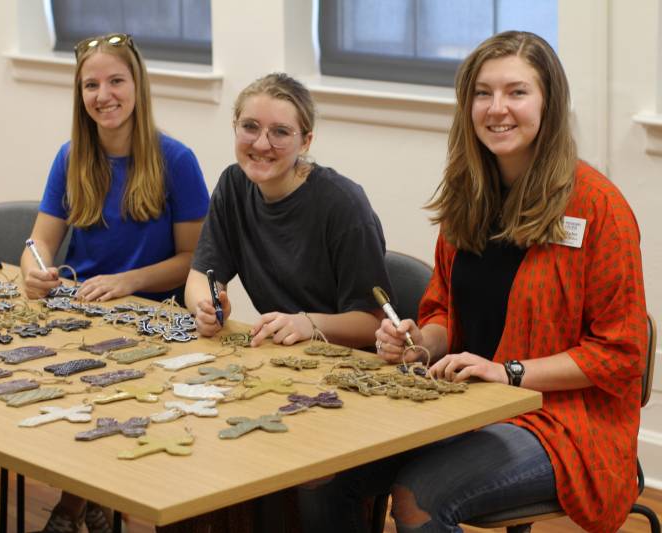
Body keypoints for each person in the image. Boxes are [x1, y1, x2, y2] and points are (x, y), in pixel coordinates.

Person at [300, 31, 647, 533]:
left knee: (420, 495)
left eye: (517, 92)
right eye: (482, 93)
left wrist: (507, 373)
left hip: (566, 424)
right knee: (323, 472)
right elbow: (443, 311)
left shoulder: (599, 208)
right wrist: (418, 342)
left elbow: (623, 353)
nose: (496, 108)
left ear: (549, 102)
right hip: (465, 404)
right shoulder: (469, 193)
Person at [20, 33, 209, 533]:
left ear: (137, 85)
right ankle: (88, 495)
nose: (104, 95)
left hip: (156, 325)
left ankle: (73, 504)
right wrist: (34, 271)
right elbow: (37, 243)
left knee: (103, 391)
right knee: (51, 386)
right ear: (79, 96)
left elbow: (194, 258)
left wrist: (127, 281)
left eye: (115, 81)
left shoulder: (177, 160)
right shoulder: (70, 158)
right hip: (83, 313)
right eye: (91, 85)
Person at [185, 72, 390, 350]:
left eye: (280, 132)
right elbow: (201, 275)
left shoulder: (344, 204)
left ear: (306, 141)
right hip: (280, 353)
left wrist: (309, 324)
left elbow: (374, 323)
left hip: (344, 362)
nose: (260, 143)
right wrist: (206, 307)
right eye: (250, 127)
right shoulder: (233, 185)